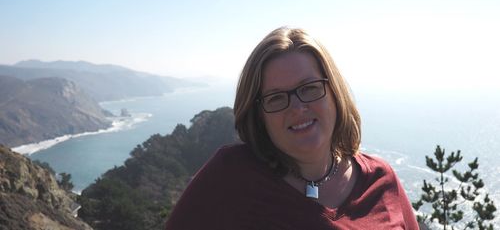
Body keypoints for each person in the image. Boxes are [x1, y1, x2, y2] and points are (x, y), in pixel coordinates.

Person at [165, 27, 419, 229]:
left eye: (309, 88)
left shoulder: (381, 180)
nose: (297, 107)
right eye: (276, 98)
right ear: (259, 115)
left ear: (334, 93)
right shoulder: (230, 176)